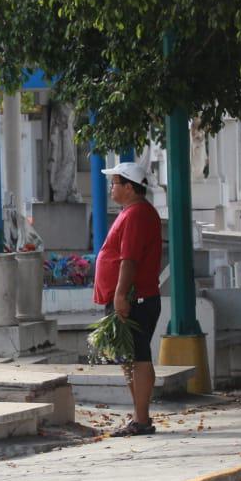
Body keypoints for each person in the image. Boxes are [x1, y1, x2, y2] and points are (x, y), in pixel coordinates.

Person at [94, 162, 165, 436]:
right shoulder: (131, 213)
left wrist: (121, 294)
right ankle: (139, 416)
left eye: (114, 183)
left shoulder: (137, 214)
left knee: (138, 356)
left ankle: (143, 419)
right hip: (130, 298)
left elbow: (129, 259)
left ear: (128, 186)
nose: (111, 188)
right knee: (129, 357)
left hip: (138, 299)